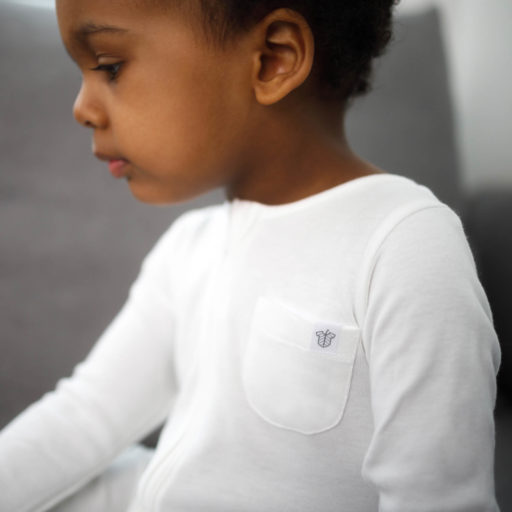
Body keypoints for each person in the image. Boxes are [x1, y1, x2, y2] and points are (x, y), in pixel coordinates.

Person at [0, 0, 501, 510]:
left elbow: (435, 499)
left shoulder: (403, 244)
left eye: (110, 67)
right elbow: (86, 416)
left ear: (272, 59)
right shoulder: (188, 248)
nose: (81, 108)